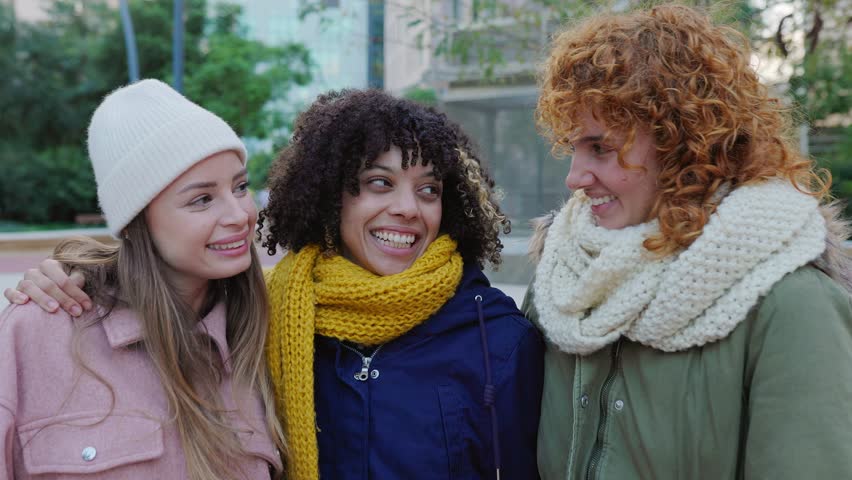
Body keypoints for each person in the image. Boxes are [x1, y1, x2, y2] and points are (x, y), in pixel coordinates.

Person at [6, 89, 544, 480]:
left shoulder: (494, 334)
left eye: (240, 187)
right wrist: (80, 270)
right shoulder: (270, 317)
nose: (240, 214)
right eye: (379, 182)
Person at [525, 4, 852, 479]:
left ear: (681, 142)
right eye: (572, 147)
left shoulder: (791, 304)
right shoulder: (563, 275)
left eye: (600, 147)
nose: (574, 178)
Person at [0, 79, 286, 479]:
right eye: (202, 199)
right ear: (137, 220)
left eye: (240, 187)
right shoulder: (38, 330)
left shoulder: (267, 333)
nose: (240, 215)